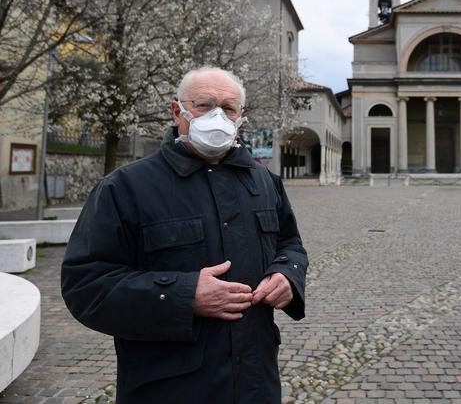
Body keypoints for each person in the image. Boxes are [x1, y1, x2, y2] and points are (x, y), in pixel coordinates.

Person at [61, 67, 308, 403]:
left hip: (255, 383)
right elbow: (85, 285)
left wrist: (286, 274)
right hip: (168, 387)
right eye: (205, 105)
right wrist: (184, 295)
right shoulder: (125, 188)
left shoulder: (264, 181)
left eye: (229, 108)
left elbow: (290, 244)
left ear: (240, 118)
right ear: (177, 110)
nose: (219, 116)